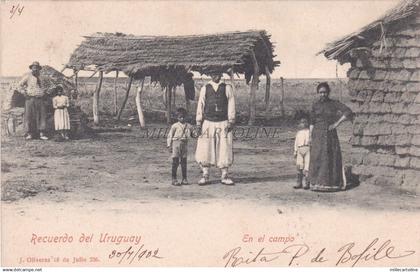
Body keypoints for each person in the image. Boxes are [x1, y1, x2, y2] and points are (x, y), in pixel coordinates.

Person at [308, 82, 353, 192]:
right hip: (317, 134)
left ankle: (331, 184)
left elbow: (348, 112)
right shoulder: (315, 105)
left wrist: (336, 124)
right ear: (318, 93)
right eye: (320, 92)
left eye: (324, 92)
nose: (322, 94)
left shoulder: (334, 104)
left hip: (329, 134)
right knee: (317, 157)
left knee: (330, 157)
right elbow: (312, 121)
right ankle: (316, 183)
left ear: (328, 92)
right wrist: (310, 136)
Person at [195, 72, 235, 186]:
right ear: (210, 75)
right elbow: (200, 105)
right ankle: (205, 175)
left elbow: (231, 104)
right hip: (208, 122)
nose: (215, 76)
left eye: (217, 73)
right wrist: (199, 122)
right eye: (213, 74)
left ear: (221, 74)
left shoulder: (227, 88)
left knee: (224, 147)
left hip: (223, 123)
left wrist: (231, 121)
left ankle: (224, 175)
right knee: (205, 148)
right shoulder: (205, 88)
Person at [18, 61, 48, 140]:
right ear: (31, 69)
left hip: (40, 99)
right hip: (30, 99)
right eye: (34, 68)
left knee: (42, 116)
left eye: (37, 68)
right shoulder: (27, 77)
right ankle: (29, 134)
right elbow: (19, 85)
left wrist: (44, 93)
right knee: (29, 116)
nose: (35, 70)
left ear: (39, 69)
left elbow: (46, 87)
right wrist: (24, 93)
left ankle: (42, 133)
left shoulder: (42, 77)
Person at [167, 108, 194, 186]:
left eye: (183, 117)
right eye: (180, 117)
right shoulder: (174, 126)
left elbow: (193, 134)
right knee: (175, 161)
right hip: (176, 143)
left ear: (186, 117)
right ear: (177, 117)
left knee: (184, 162)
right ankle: (174, 179)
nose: (182, 118)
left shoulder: (189, 126)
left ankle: (184, 179)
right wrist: (169, 145)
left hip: (184, 144)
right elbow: (170, 136)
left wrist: (197, 132)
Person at [293, 117, 310, 190]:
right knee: (299, 165)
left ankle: (306, 182)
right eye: (302, 123)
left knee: (307, 166)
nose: (303, 124)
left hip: (308, 149)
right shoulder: (298, 133)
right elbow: (296, 143)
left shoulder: (310, 132)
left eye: (305, 122)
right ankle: (298, 182)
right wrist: (295, 151)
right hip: (300, 149)